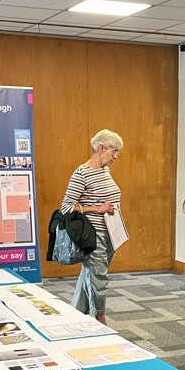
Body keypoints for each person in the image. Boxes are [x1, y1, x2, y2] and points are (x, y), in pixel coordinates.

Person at [61, 129, 123, 326]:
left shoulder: (105, 170)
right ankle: (100, 321)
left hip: (111, 233)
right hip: (93, 236)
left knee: (90, 273)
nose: (116, 156)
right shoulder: (82, 173)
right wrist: (97, 209)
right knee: (98, 277)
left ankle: (74, 316)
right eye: (114, 151)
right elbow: (66, 208)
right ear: (101, 148)